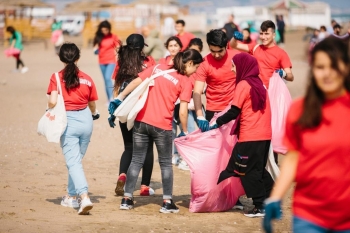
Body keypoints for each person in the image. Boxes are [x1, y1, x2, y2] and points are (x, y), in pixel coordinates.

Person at [263, 37, 350, 233]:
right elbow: (293, 160)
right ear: (313, 70)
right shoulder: (299, 110)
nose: (327, 74)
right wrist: (276, 197)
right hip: (308, 216)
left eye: (334, 66)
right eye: (320, 67)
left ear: (345, 67)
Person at [110, 49, 203, 213]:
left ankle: (127, 199)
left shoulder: (158, 68)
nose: (195, 71)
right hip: (162, 126)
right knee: (166, 163)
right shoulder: (185, 81)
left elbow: (135, 82)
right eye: (195, 68)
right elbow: (183, 111)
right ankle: (167, 202)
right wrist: (185, 131)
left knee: (136, 160)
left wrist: (119, 97)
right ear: (189, 64)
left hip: (141, 122)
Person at [209, 53, 274, 217]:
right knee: (258, 170)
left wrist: (216, 122)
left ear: (242, 66)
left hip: (250, 135)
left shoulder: (244, 84)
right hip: (264, 135)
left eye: (233, 66)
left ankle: (260, 206)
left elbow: (234, 111)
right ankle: (272, 201)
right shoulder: (259, 84)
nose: (232, 69)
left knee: (246, 171)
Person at [46, 43, 100, 215]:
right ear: (78, 57)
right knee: (75, 161)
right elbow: (92, 104)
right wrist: (95, 113)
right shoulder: (87, 78)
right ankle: (70, 196)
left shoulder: (56, 77)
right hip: (86, 121)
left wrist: (49, 107)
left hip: (68, 122)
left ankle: (83, 197)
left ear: (61, 58)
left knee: (74, 161)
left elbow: (53, 101)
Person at [230, 20, 293, 164]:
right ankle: (260, 164)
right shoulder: (256, 48)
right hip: (255, 95)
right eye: (262, 33)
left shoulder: (281, 53)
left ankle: (272, 165)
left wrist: (283, 73)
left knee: (272, 131)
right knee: (257, 130)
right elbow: (234, 46)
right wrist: (235, 38)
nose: (264, 37)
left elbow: (291, 76)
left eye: (267, 33)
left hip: (272, 97)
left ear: (274, 34)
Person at [108, 34, 156, 196]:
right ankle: (144, 187)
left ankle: (122, 176)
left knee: (129, 146)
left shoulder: (122, 63)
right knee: (147, 148)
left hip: (125, 108)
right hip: (145, 109)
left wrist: (114, 110)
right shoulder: (149, 61)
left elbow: (116, 87)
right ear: (143, 46)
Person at [193, 29, 240, 131]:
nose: (217, 55)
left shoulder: (237, 57)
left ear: (226, 46)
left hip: (233, 109)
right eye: (213, 51)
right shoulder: (204, 63)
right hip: (213, 110)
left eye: (220, 51)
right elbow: (197, 91)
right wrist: (200, 115)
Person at [93, 20, 120, 102]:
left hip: (111, 60)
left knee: (108, 78)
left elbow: (118, 46)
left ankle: (112, 98)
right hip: (101, 61)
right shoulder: (98, 37)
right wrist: (96, 50)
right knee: (105, 80)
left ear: (109, 29)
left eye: (106, 30)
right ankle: (108, 99)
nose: (104, 32)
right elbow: (95, 48)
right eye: (103, 30)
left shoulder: (113, 36)